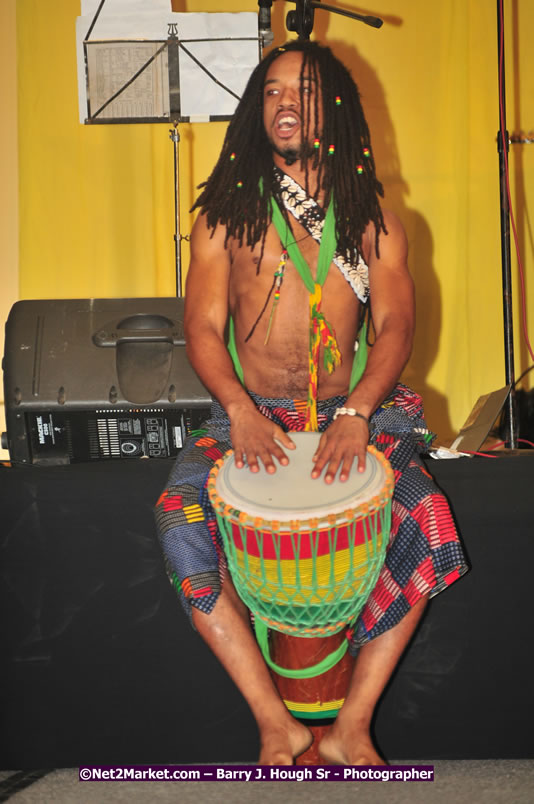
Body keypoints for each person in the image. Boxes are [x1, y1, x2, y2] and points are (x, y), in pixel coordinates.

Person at [155, 40, 468, 766]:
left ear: (337, 109)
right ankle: (276, 724)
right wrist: (236, 408)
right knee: (178, 520)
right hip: (248, 411)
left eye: (302, 90)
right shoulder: (223, 215)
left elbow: (395, 327)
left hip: (353, 411)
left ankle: (354, 723)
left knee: (428, 515)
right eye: (270, 92)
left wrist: (357, 412)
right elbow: (201, 328)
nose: (284, 103)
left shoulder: (373, 216)